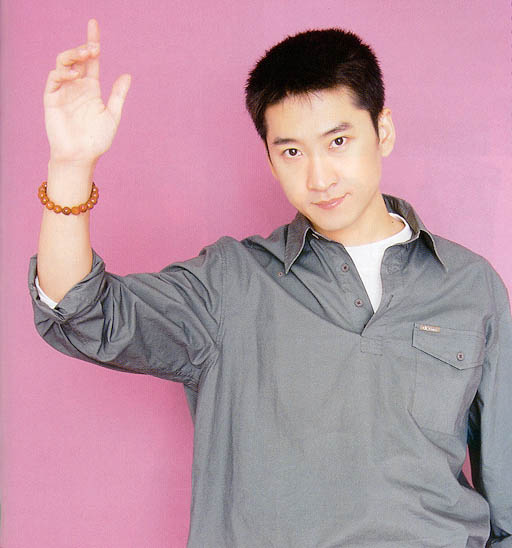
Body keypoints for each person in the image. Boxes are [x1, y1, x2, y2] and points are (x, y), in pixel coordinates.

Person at [29, 18, 511, 548]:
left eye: (339, 141)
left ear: (384, 131)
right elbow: (82, 311)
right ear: (270, 160)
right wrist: (70, 165)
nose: (319, 178)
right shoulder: (229, 284)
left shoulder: (471, 285)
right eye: (292, 152)